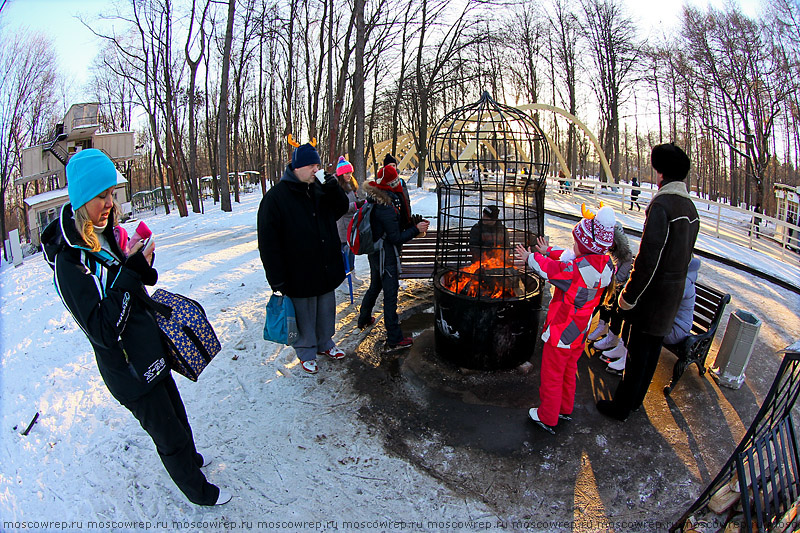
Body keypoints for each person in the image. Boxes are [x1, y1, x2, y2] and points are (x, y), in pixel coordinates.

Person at [40, 149, 230, 506]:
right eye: (101, 196)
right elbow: (102, 329)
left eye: (112, 193)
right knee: (167, 435)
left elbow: (129, 284)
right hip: (128, 369)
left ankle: (191, 462)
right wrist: (129, 273)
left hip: (149, 348)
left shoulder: (105, 232)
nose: (110, 203)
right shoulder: (69, 264)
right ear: (81, 199)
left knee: (177, 415)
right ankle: (200, 493)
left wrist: (142, 263)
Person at [596, 143, 700, 422]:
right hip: (672, 296)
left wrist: (629, 296)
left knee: (638, 352)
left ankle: (622, 406)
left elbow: (649, 256)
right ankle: (635, 401)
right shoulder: (690, 209)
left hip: (652, 296)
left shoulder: (662, 205)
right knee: (650, 353)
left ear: (661, 174)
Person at [515, 205, 616, 433]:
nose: (572, 246)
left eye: (576, 243)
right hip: (579, 333)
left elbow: (552, 269)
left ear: (585, 247)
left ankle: (547, 416)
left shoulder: (575, 272)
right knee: (569, 371)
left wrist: (531, 257)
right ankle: (564, 408)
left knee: (552, 375)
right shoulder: (604, 265)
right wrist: (547, 249)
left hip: (561, 333)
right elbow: (567, 257)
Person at [258, 142, 350, 374]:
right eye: (311, 165)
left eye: (317, 165)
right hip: (298, 271)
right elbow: (268, 243)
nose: (315, 169)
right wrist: (276, 279)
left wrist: (334, 189)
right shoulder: (275, 198)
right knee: (304, 315)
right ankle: (306, 351)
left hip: (326, 266)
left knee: (325, 310)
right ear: (297, 167)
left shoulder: (320, 189)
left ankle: (325, 343)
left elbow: (340, 209)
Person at [357, 164, 429, 348]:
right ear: (389, 183)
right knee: (390, 296)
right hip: (385, 257)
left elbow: (391, 231)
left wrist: (410, 224)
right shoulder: (386, 206)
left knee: (374, 286)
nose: (399, 183)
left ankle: (364, 319)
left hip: (376, 254)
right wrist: (415, 229)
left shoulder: (376, 199)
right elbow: (395, 238)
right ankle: (395, 339)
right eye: (395, 180)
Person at [588, 222, 634, 375]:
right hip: (607, 282)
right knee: (599, 301)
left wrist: (610, 282)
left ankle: (611, 334)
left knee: (612, 304)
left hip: (617, 286)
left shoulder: (625, 255)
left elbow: (621, 275)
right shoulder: (607, 249)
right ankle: (600, 325)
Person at [335, 156, 364, 289]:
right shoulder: (337, 187)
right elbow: (340, 207)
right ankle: (342, 280)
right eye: (346, 173)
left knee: (351, 251)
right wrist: (356, 205)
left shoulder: (350, 185)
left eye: (350, 173)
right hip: (342, 225)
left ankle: (351, 274)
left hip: (351, 224)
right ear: (341, 174)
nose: (349, 175)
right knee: (343, 253)